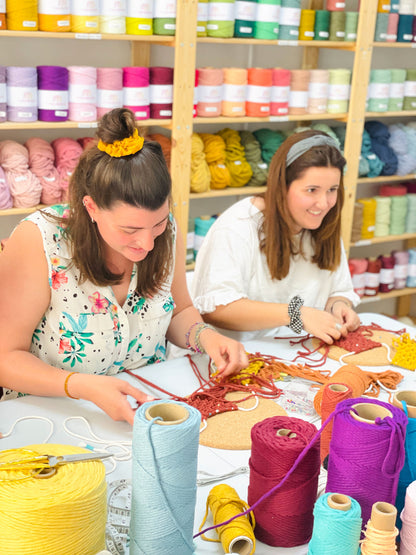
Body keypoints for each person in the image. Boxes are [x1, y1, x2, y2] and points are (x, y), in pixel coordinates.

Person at [0, 108, 248, 424]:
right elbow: (5, 358)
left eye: (157, 223)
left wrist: (206, 337)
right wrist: (81, 387)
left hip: (145, 411)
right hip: (49, 418)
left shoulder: (166, 230)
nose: (147, 244)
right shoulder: (40, 241)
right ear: (91, 208)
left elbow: (179, 311)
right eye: (130, 230)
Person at [191, 129, 361, 344]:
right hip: (235, 359)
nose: (324, 203)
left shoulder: (323, 225)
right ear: (283, 186)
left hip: (295, 354)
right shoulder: (239, 226)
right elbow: (216, 309)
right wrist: (297, 314)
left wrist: (338, 306)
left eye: (332, 190)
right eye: (311, 190)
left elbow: (338, 289)